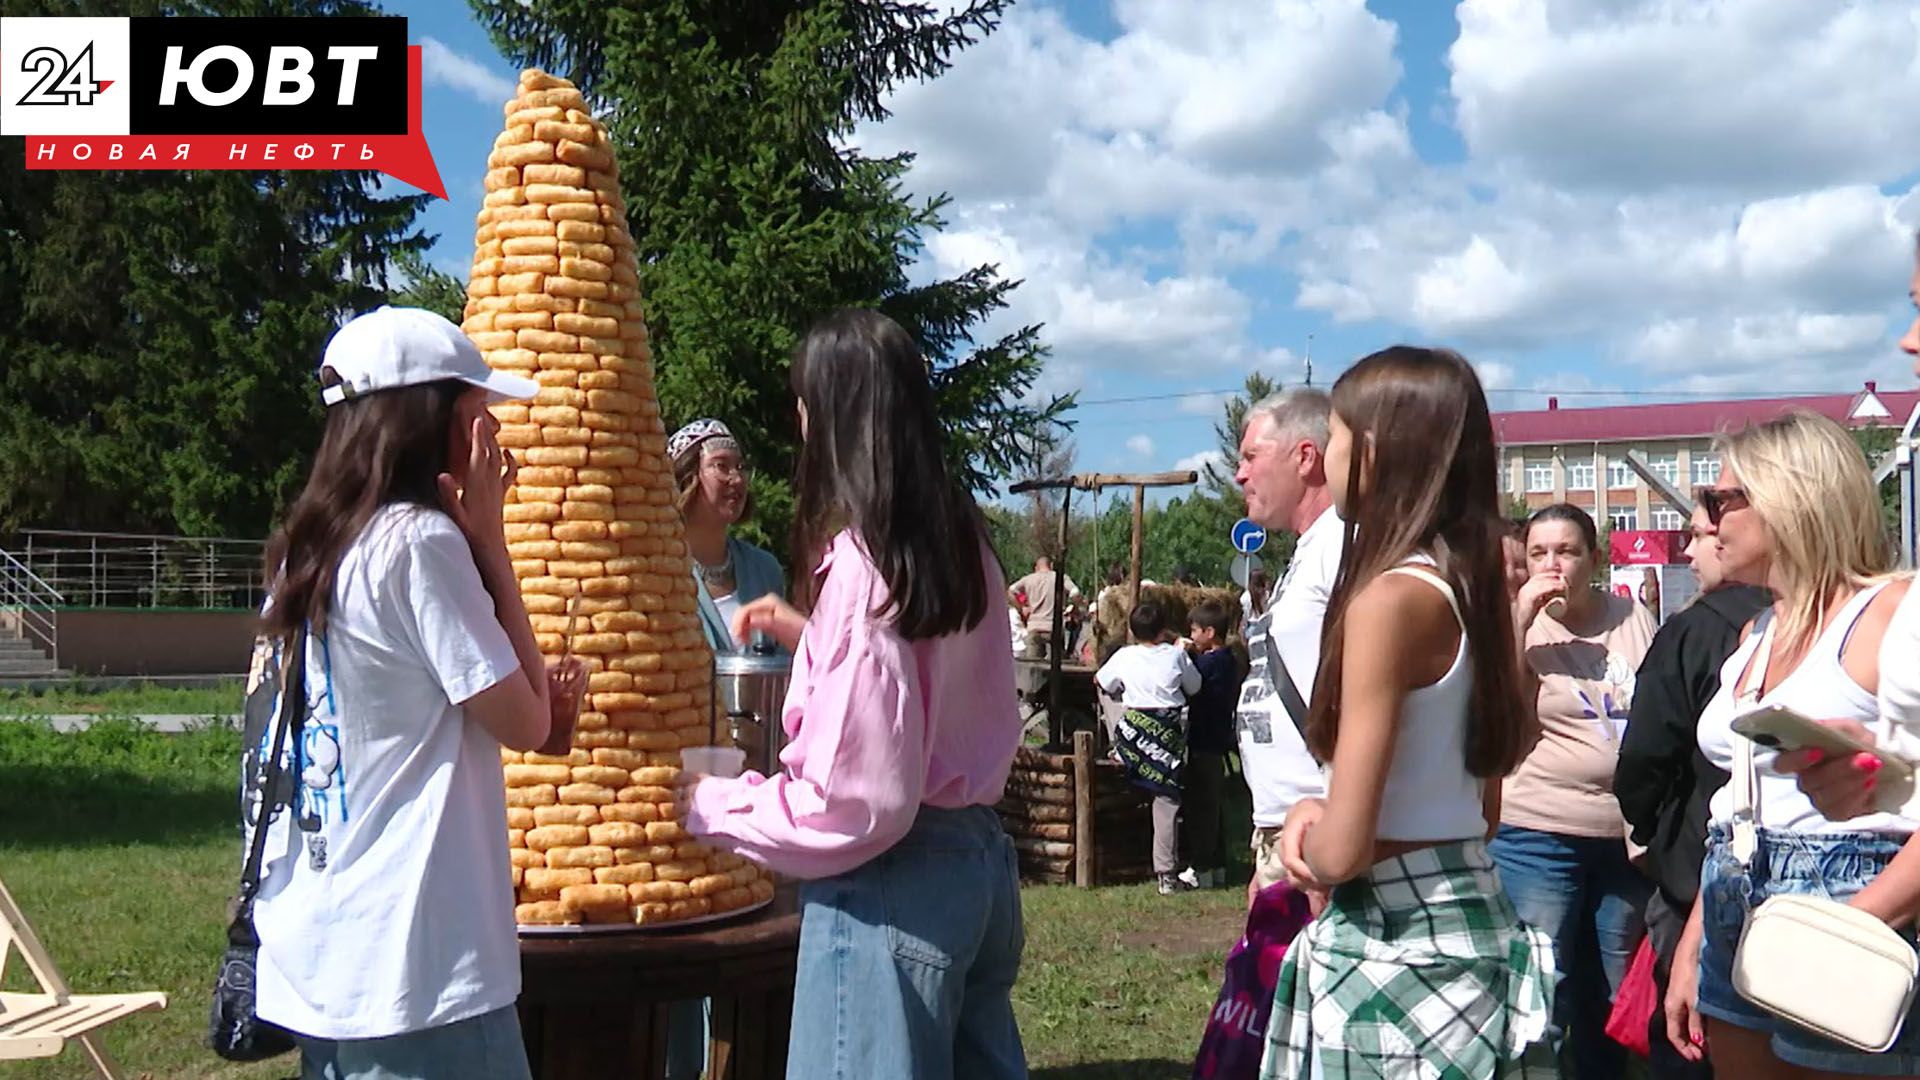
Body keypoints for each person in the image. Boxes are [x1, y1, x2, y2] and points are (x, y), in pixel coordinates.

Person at [681, 309, 1026, 1079]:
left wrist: (709, 804)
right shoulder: (961, 545)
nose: (798, 424)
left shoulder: (868, 569)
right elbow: (921, 690)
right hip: (976, 866)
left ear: (834, 417)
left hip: (892, 887)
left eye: (803, 403)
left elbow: (854, 805)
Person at [245, 307, 585, 1079]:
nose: (494, 441)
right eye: (480, 416)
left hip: (323, 956)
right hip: (418, 971)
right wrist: (491, 543)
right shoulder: (420, 545)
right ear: (432, 422)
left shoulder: (305, 549)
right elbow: (530, 722)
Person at [1266, 345, 1555, 1077]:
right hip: (1473, 917)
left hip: (1392, 939)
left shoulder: (1388, 600)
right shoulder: (1471, 589)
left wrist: (1303, 830)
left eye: (1332, 435)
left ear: (1375, 451)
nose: (1327, 455)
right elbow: (1480, 815)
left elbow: (1344, 849)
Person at [1662, 411, 1913, 1077]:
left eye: (1720, 499)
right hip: (1736, 895)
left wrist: (1852, 928)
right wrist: (1695, 940)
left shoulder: (1889, 613)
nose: (1705, 518)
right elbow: (1740, 801)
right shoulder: (1755, 635)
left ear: (1790, 500)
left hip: (1854, 895)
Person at [1492, 502, 1658, 1078]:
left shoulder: (1632, 617)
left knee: (1613, 992)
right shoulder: (1518, 621)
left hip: (1623, 836)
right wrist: (1516, 624)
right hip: (1538, 830)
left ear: (1594, 557)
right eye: (1539, 553)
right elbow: (1497, 720)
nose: (1552, 565)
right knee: (1545, 984)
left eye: (1566, 551)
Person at [1614, 501, 1770, 1080]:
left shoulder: (1694, 628)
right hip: (1759, 886)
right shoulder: (1792, 619)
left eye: (1699, 534)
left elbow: (1646, 752)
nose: (1693, 548)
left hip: (1698, 875)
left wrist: (1647, 829)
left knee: (1690, 1045)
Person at [1232, 388, 1343, 908]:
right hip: (1286, 830)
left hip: (1316, 828)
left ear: (1305, 457)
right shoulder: (1309, 552)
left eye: (1251, 456)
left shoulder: (1342, 543)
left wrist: (1330, 835)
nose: (1240, 475)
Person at [1097, 599, 1203, 895]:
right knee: (1167, 800)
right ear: (1164, 627)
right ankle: (1166, 874)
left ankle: (1116, 742)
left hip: (1132, 733)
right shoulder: (1175, 655)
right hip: (1167, 737)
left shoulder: (1124, 655)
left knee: (1111, 694)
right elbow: (1195, 687)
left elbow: (1102, 681)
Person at [670, 418, 786, 653]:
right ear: (687, 478)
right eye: (721, 466)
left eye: (741, 467)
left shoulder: (765, 570)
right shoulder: (662, 573)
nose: (736, 478)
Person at [1182, 600, 1241, 891]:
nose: (1191, 635)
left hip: (1204, 740)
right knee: (1213, 806)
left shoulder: (1210, 663)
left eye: (1194, 630)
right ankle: (1218, 865)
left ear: (1209, 632)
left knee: (1202, 807)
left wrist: (1182, 655)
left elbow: (1191, 680)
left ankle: (1200, 867)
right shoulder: (1228, 660)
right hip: (1216, 739)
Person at [1010, 556, 1081, 660]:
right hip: (1054, 628)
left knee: (1033, 666)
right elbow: (1075, 592)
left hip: (1034, 627)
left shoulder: (1028, 579)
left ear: (1036, 567)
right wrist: (1075, 608)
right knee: (1055, 665)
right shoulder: (1060, 578)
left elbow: (1011, 591)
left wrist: (1021, 609)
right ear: (1051, 565)